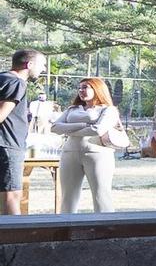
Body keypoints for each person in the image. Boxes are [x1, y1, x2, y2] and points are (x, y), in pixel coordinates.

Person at [50, 76, 124, 213]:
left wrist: (69, 129)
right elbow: (55, 127)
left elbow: (98, 130)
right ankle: (67, 229)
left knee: (101, 195)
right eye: (79, 88)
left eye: (85, 87)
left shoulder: (108, 110)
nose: (81, 91)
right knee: (68, 196)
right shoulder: (72, 109)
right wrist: (83, 125)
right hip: (69, 153)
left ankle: (105, 229)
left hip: (98, 155)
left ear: (97, 89)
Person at [0, 47, 44, 216]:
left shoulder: (2, 77)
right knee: (12, 195)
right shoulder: (16, 82)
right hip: (8, 145)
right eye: (42, 65)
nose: (44, 69)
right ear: (29, 64)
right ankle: (15, 240)